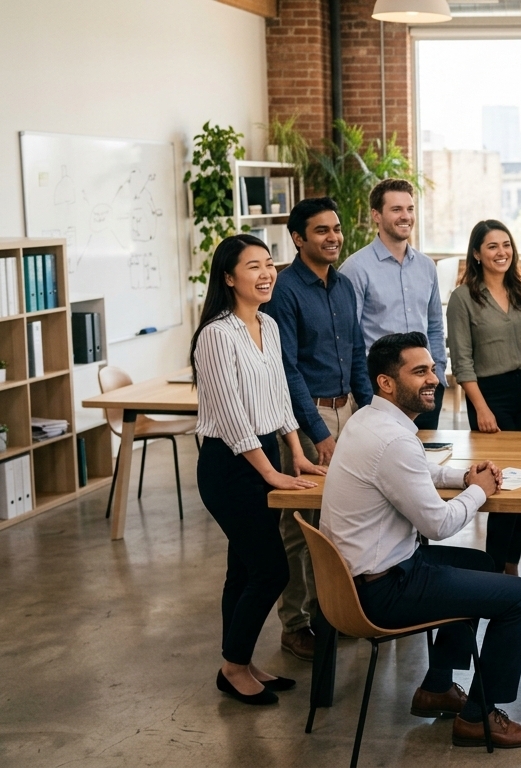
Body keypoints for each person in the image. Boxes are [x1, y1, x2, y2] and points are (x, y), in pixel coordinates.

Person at [321, 332, 521, 749]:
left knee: (480, 564)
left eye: (433, 368)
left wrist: (463, 477)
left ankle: (437, 687)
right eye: (420, 371)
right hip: (383, 590)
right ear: (387, 383)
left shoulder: (369, 421)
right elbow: (438, 525)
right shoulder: (391, 438)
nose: (435, 379)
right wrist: (481, 491)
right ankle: (480, 716)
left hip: (363, 576)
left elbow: (415, 467)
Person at [191, 234, 324, 706]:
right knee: (270, 569)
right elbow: (230, 416)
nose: (267, 273)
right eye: (253, 266)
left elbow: (279, 397)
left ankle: (240, 662)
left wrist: (297, 452)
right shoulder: (215, 335)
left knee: (243, 570)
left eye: (269, 264)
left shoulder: (267, 323)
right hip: (230, 465)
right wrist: (270, 473)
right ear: (229, 278)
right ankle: (232, 665)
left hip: (264, 451)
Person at [262, 197, 373, 663]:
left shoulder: (344, 285)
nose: (333, 237)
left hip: (349, 410)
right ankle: (296, 624)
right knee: (300, 523)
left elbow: (358, 355)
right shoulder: (285, 290)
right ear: (298, 238)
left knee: (346, 516)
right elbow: (288, 370)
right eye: (322, 230)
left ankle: (334, 610)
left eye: (337, 228)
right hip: (307, 420)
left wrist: (371, 412)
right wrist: (318, 432)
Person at [447, 220, 521, 575]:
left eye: (506, 244)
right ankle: (493, 570)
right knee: (499, 487)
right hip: (491, 397)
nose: (501, 252)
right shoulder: (463, 299)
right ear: (476, 253)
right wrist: (481, 408)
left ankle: (512, 565)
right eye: (492, 246)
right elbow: (462, 362)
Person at [339, 179, 449, 430]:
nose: (406, 216)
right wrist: (365, 389)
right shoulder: (356, 269)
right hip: (384, 391)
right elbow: (349, 336)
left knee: (429, 459)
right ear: (376, 215)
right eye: (396, 209)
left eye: (410, 209)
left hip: (426, 388)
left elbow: (434, 325)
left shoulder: (426, 266)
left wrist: (438, 375)